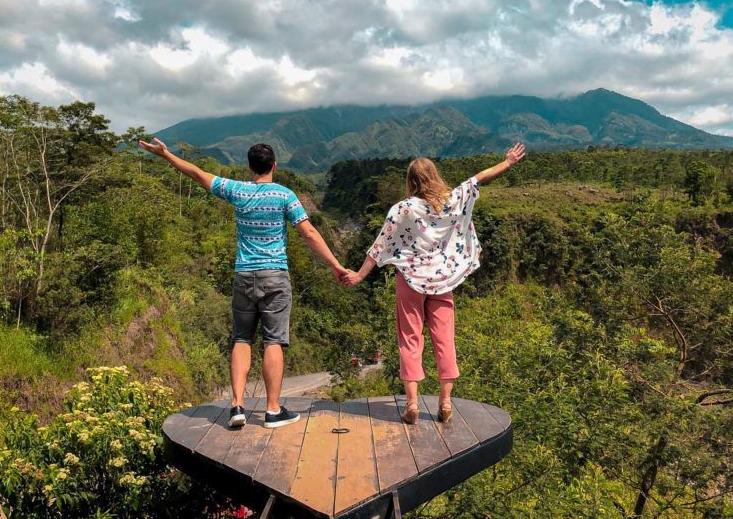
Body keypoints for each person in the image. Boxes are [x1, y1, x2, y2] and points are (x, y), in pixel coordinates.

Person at [139, 139, 346, 429]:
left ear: (250, 167)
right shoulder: (285, 195)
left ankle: (237, 406)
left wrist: (167, 155)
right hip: (275, 276)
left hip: (244, 276)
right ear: (274, 165)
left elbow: (198, 174)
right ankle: (273, 410)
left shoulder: (237, 190)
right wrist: (335, 265)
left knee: (241, 338)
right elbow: (309, 232)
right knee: (273, 340)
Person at [342, 144, 526, 424]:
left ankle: (413, 404)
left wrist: (358, 275)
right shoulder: (451, 200)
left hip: (411, 282)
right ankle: (446, 402)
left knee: (410, 340)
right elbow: (481, 177)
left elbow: (380, 246)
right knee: (444, 339)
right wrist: (508, 162)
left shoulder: (403, 209)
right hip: (443, 282)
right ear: (434, 176)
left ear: (411, 180)